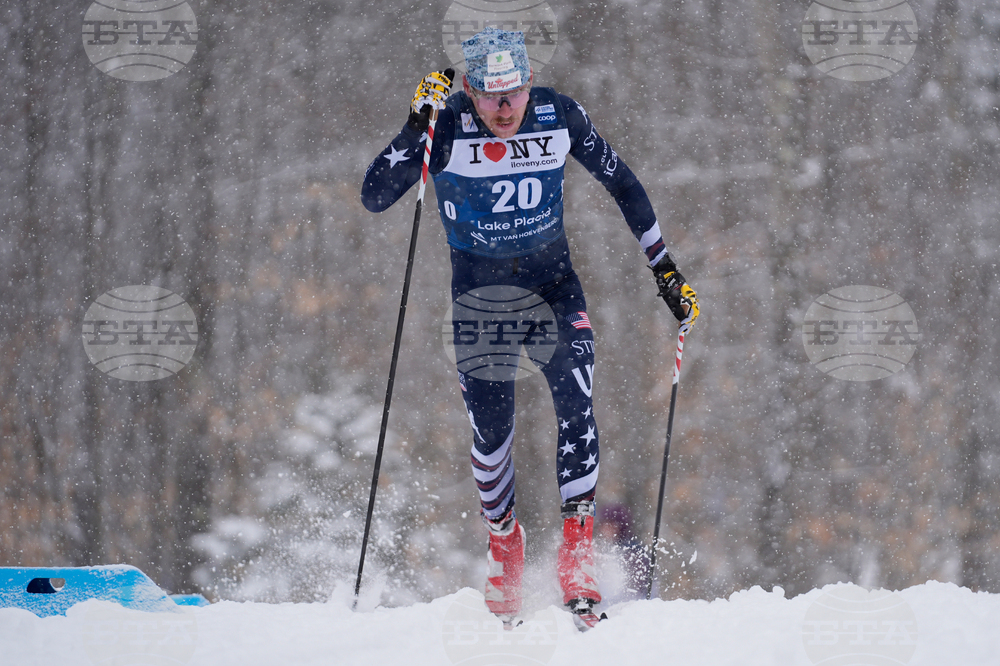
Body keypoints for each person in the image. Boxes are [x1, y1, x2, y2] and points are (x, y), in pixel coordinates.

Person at [361, 28, 698, 623]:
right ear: (469, 89)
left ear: (529, 84)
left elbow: (622, 181)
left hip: (552, 289)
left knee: (576, 392)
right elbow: (374, 194)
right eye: (490, 96)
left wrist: (663, 268)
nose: (504, 108)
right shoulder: (447, 126)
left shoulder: (558, 116)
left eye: (514, 92)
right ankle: (504, 542)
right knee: (493, 440)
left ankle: (576, 550)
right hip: (482, 303)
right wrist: (417, 125)